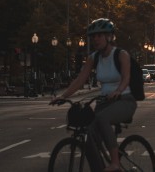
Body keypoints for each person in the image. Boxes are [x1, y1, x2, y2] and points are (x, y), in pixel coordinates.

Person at [54, 18, 137, 172]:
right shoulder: (94, 57)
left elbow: (126, 77)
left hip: (124, 100)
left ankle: (115, 163)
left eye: (99, 35)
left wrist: (118, 90)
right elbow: (80, 79)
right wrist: (64, 96)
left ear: (109, 37)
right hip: (104, 102)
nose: (95, 39)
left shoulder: (120, 54)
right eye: (93, 36)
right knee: (87, 134)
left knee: (102, 118)